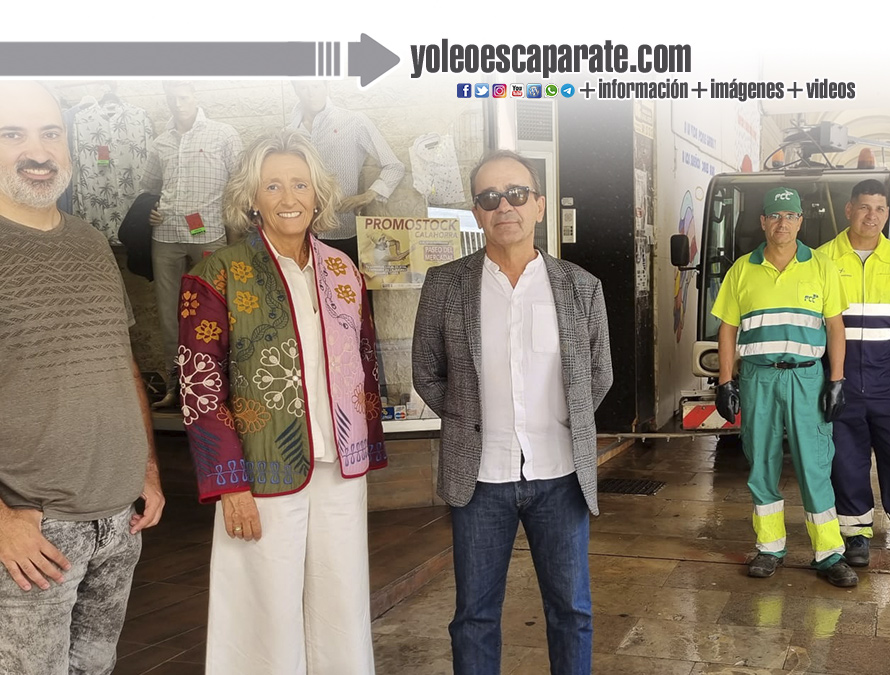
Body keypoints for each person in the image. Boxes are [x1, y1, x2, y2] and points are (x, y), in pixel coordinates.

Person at [177, 129, 388, 674]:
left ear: (318, 194)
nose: (289, 197)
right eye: (272, 186)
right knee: (263, 613)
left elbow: (364, 360)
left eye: (300, 184)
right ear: (252, 198)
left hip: (340, 467)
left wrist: (366, 445)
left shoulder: (343, 271)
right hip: (260, 469)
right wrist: (229, 483)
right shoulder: (217, 274)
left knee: (342, 606)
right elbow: (200, 386)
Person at [412, 150, 612, 675]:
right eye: (490, 197)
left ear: (539, 205)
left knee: (572, 612)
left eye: (517, 194)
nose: (505, 206)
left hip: (560, 476)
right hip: (480, 479)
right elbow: (427, 373)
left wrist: (568, 422)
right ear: (476, 212)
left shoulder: (580, 286)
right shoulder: (445, 285)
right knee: (474, 617)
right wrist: (469, 422)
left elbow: (598, 374)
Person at [0, 80, 164, 674]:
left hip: (119, 521)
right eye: (12, 134)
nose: (37, 151)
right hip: (31, 533)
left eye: (50, 133)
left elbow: (121, 361)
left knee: (94, 668)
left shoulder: (92, 243)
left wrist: (147, 468)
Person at [711, 186, 855, 586]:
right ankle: (770, 547)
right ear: (763, 222)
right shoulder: (742, 270)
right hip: (758, 377)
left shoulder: (822, 266)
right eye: (775, 216)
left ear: (800, 221)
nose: (782, 223)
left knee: (814, 464)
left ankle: (829, 553)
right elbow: (727, 329)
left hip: (807, 377)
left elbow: (835, 327)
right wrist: (725, 381)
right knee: (761, 462)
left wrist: (837, 379)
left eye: (790, 216)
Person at [818, 179, 890, 577]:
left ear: (888, 213)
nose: (872, 216)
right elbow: (815, 325)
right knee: (846, 461)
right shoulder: (822, 259)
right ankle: (855, 534)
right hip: (840, 380)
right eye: (865, 207)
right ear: (849, 209)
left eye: (880, 209)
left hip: (889, 380)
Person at [143, 81, 243, 408]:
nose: (178, 104)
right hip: (166, 236)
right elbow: (150, 187)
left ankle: (219, 383)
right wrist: (150, 210)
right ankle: (177, 385)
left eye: (183, 97)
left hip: (208, 234)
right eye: (171, 98)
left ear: (196, 95)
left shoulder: (222, 135)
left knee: (214, 309)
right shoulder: (160, 143)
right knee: (169, 314)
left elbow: (240, 184)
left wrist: (234, 235)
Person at [288, 80, 406, 265]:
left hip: (343, 232)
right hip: (300, 235)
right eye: (304, 87)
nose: (311, 93)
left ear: (327, 86)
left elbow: (394, 166)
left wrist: (366, 196)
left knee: (349, 284)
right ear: (296, 90)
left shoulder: (353, 122)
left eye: (316, 86)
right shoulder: (289, 133)